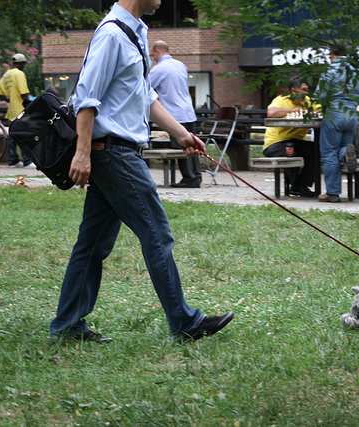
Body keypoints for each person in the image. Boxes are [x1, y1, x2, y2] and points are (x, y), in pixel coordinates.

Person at [49, 0, 234, 343]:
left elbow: (145, 97)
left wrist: (181, 133)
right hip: (115, 154)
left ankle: (67, 327)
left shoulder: (136, 32)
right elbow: (86, 98)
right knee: (156, 234)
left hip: (117, 152)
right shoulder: (111, 35)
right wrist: (83, 153)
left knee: (91, 245)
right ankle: (185, 322)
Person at [316, 45, 359, 203]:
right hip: (351, 115)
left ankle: (332, 193)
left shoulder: (330, 69)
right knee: (342, 148)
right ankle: (345, 153)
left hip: (334, 114)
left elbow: (320, 95)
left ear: (332, 54)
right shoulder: (358, 70)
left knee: (329, 153)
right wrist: (352, 103)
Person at [149, 40, 202, 188]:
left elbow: (145, 88)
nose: (152, 56)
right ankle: (196, 176)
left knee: (182, 145)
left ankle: (189, 178)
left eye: (152, 53)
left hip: (174, 114)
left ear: (157, 51)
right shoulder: (181, 65)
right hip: (188, 111)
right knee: (193, 145)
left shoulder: (159, 69)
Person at [263, 76, 320, 197]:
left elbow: (322, 110)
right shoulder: (281, 100)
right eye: (303, 89)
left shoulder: (308, 101)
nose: (306, 92)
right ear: (294, 91)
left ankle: (302, 185)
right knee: (292, 153)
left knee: (316, 150)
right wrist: (295, 110)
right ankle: (293, 187)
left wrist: (313, 112)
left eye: (307, 89)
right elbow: (271, 113)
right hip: (276, 143)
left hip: (296, 141)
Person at [0, 53, 35, 168]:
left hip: (12, 110)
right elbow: (24, 92)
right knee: (25, 135)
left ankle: (13, 161)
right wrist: (28, 106)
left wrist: (10, 100)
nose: (23, 66)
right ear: (21, 63)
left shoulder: (6, 74)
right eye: (23, 64)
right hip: (20, 110)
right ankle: (27, 161)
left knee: (12, 137)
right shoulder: (19, 74)